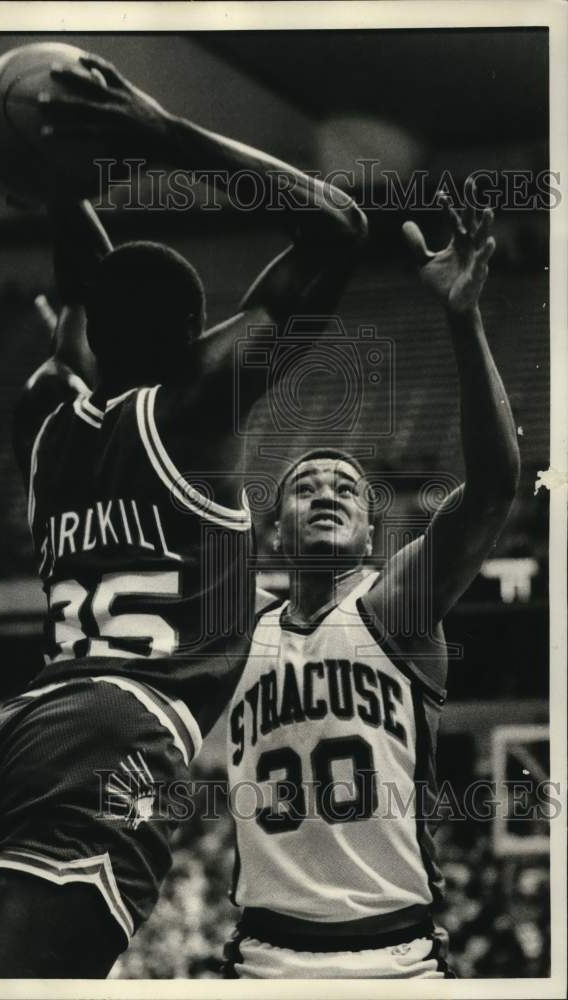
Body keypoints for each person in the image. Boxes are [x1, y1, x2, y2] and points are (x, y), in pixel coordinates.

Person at [0, 48, 367, 978]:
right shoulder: (193, 410)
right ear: (195, 338)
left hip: (19, 736)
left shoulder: (44, 417)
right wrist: (159, 130)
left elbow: (85, 293)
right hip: (114, 737)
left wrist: (63, 188)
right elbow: (338, 229)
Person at [224, 185, 520, 979]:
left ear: (369, 534)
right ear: (275, 531)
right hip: (264, 957)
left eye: (347, 488)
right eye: (305, 485)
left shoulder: (393, 606)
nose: (326, 491)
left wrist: (464, 319)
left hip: (398, 957)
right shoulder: (238, 626)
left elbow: (494, 487)